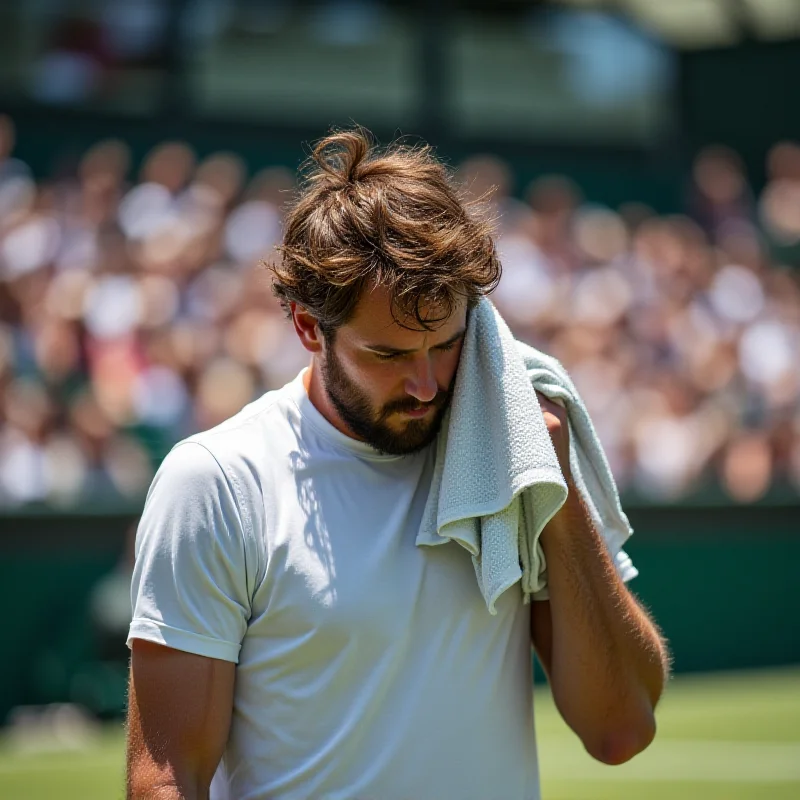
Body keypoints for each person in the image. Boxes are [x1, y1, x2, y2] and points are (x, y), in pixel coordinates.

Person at [126, 129, 670, 800]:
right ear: (305, 326)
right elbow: (165, 780)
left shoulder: (507, 449)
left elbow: (620, 730)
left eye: (444, 345)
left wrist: (551, 486)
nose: (426, 385)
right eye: (387, 354)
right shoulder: (216, 480)